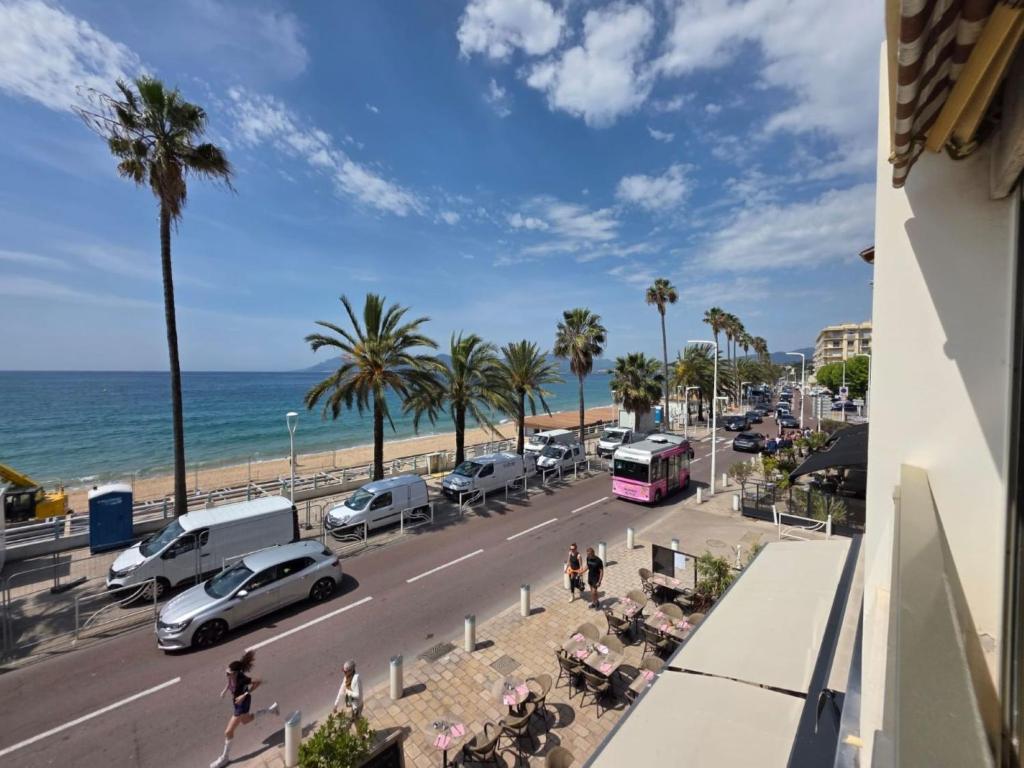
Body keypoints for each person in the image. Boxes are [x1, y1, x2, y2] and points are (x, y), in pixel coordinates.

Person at [211, 650, 279, 768]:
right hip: (237, 703)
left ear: (236, 673)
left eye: (228, 673)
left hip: (242, 704)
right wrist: (224, 690)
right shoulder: (231, 676)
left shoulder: (242, 679)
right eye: (226, 672)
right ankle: (271, 710)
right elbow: (229, 683)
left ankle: (224, 758)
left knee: (228, 732)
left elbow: (258, 681)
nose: (226, 674)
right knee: (246, 720)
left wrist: (244, 695)